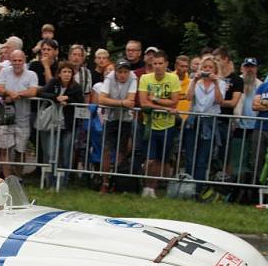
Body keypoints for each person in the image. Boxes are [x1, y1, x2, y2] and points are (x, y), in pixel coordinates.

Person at [138, 50, 180, 198]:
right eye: (155, 63)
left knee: (160, 160)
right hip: (149, 124)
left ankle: (152, 187)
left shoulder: (173, 78)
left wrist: (154, 99)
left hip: (167, 125)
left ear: (166, 64)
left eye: (160, 63)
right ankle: (146, 186)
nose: (157, 66)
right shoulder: (145, 78)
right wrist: (165, 108)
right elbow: (143, 103)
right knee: (149, 159)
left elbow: (174, 101)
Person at [39, 61, 85, 185]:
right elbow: (41, 92)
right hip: (52, 124)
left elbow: (80, 101)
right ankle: (50, 181)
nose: (67, 74)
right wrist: (56, 98)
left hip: (68, 125)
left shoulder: (76, 87)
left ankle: (64, 182)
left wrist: (68, 99)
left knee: (66, 153)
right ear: (59, 74)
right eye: (64, 71)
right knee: (51, 153)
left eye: (69, 72)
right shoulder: (54, 83)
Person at [0, 49, 38, 178]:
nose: (17, 63)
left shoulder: (31, 74)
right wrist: (9, 93)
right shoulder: (4, 71)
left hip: (23, 119)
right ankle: (7, 179)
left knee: (21, 150)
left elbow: (33, 91)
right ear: (11, 61)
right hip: (5, 118)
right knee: (4, 149)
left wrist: (16, 94)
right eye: (15, 60)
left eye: (20, 60)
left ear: (24, 60)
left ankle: (18, 179)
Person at [96, 59, 137, 193]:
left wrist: (114, 102)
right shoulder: (109, 77)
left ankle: (118, 182)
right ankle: (105, 181)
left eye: (125, 72)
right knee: (107, 150)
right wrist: (121, 103)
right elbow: (101, 99)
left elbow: (130, 101)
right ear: (116, 72)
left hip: (126, 119)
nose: (123, 75)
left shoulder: (133, 78)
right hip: (110, 118)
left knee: (122, 152)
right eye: (120, 72)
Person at [184, 55, 225, 187]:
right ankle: (188, 186)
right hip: (194, 120)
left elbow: (219, 101)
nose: (207, 70)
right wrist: (194, 81)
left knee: (203, 157)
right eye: (205, 67)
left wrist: (217, 83)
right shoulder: (195, 81)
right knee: (190, 156)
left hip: (209, 121)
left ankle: (198, 187)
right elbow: (188, 97)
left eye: (210, 67)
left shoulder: (221, 83)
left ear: (215, 69)